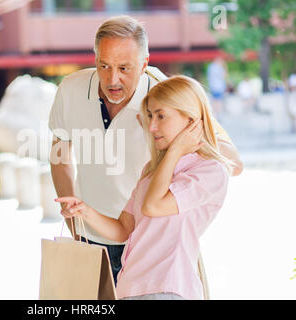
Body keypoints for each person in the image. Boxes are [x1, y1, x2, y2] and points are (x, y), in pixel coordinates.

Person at [48, 15, 243, 286]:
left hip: (153, 249)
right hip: (91, 235)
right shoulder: (70, 90)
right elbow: (60, 155)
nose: (112, 79)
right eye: (104, 65)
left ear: (144, 64)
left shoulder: (165, 95)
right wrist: (74, 223)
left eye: (125, 68)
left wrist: (177, 141)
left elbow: (232, 160)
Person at [56, 75, 231, 300]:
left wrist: (176, 150)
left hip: (167, 288)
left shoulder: (209, 172)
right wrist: (84, 210)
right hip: (130, 289)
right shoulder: (152, 171)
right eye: (149, 115)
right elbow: (122, 229)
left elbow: (153, 206)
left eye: (161, 115)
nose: (151, 126)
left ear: (191, 120)